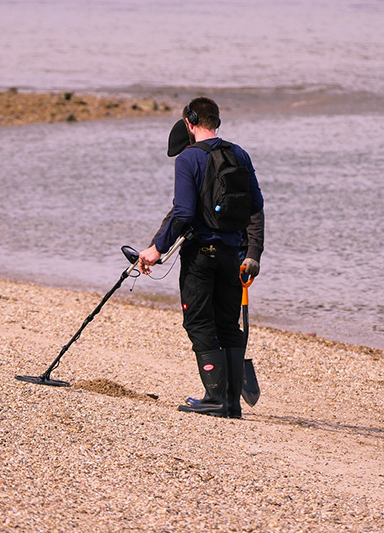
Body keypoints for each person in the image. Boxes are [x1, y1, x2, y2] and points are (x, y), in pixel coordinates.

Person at [139, 97, 264, 418]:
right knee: (227, 325)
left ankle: (214, 397)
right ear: (217, 121)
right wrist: (251, 251)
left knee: (198, 322)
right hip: (232, 256)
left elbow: (183, 212)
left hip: (201, 255)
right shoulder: (239, 153)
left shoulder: (188, 158)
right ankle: (231, 403)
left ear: (190, 122)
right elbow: (255, 205)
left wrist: (157, 249)